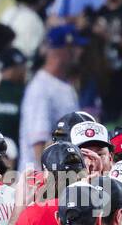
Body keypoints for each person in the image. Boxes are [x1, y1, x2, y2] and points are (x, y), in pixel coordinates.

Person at [19, 27, 84, 169]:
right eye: (75, 48)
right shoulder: (41, 88)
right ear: (62, 51)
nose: (80, 52)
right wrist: (47, 185)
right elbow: (39, 143)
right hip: (39, 179)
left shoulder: (62, 84)